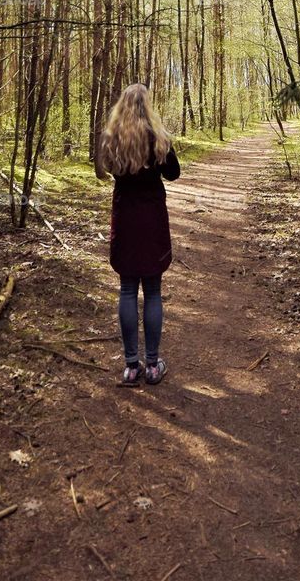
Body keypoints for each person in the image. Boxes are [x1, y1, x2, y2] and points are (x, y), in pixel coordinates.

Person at [94, 82, 180, 385]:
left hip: (126, 218)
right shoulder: (158, 137)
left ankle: (131, 366)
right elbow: (173, 173)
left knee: (128, 289)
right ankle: (153, 365)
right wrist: (165, 145)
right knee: (153, 290)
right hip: (152, 218)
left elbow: (106, 170)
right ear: (148, 106)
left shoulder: (112, 138)